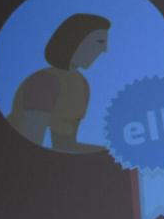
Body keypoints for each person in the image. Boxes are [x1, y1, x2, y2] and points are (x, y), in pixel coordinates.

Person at [6, 13, 110, 153]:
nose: (104, 50)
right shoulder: (44, 81)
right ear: (76, 40)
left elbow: (64, 145)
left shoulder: (81, 84)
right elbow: (31, 144)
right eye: (100, 42)